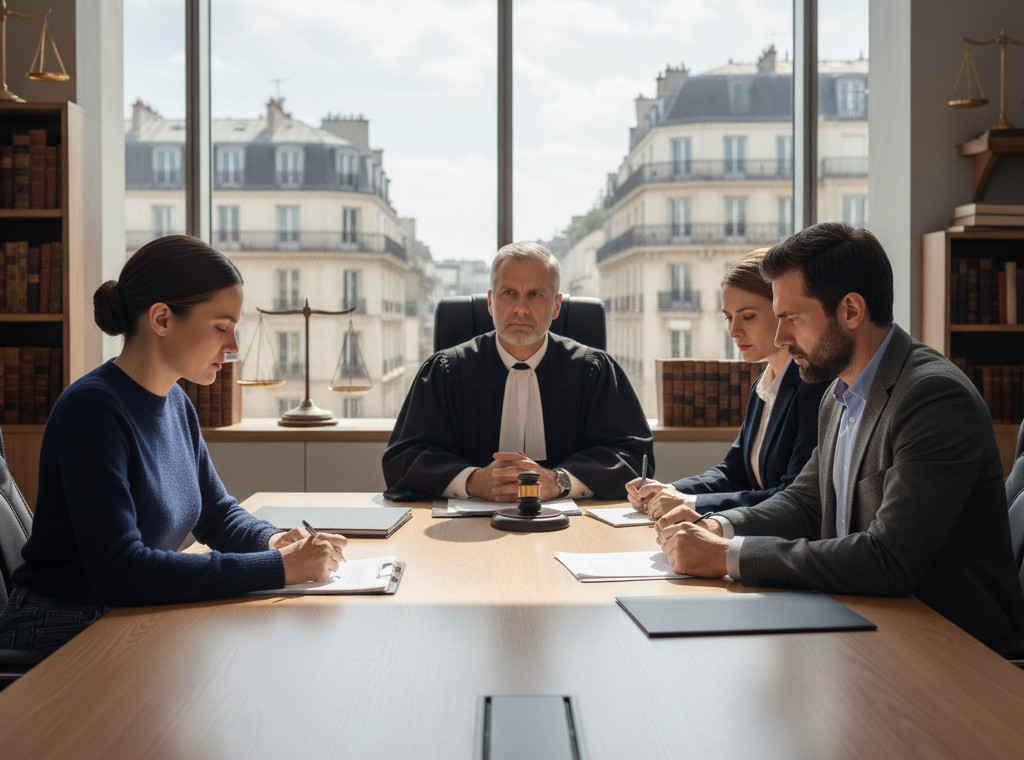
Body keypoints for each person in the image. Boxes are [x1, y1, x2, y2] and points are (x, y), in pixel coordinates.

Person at [656, 222, 1024, 645]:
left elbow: (888, 559)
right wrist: (718, 527)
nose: (781, 337)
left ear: (851, 310)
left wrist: (727, 556)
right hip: (868, 619)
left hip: (952, 645)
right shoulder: (839, 393)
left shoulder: (933, 397)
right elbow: (806, 502)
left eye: (791, 317)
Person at [0, 235, 347, 651]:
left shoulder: (176, 402)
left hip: (125, 616)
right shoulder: (91, 410)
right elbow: (122, 571)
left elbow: (217, 514)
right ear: (162, 319)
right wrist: (277, 568)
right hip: (59, 627)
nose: (233, 347)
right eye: (221, 327)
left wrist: (274, 542)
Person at [383, 242, 653, 502]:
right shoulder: (445, 371)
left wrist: (558, 482)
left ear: (556, 305)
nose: (520, 309)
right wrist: (473, 481)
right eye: (508, 293)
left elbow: (632, 458)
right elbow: (403, 460)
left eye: (535, 294)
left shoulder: (595, 371)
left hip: (573, 528)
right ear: (490, 302)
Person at [625, 249, 829, 519]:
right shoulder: (763, 385)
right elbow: (734, 471)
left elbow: (790, 495)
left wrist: (689, 503)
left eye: (748, 316)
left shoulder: (815, 386)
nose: (733, 331)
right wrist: (667, 490)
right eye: (729, 317)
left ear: (782, 310)